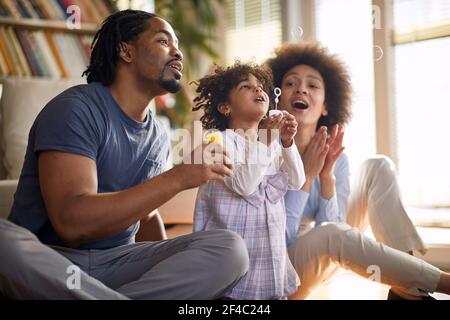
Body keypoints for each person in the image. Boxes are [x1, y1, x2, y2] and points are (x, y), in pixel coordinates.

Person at [0, 10, 249, 300]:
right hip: (52, 263)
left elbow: (145, 216)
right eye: (163, 41)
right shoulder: (75, 110)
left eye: (177, 44)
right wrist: (181, 176)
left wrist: (167, 258)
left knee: (230, 249)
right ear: (126, 51)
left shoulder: (156, 134)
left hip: (117, 265)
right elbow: (71, 223)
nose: (178, 52)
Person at [265, 42, 450, 300]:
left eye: (313, 85)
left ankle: (408, 292)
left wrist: (326, 177)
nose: (301, 89)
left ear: (326, 106)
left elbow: (337, 230)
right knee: (331, 234)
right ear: (278, 98)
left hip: (324, 252)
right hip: (280, 269)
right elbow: (277, 240)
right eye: (290, 83)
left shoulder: (334, 155)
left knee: (378, 165)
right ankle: (434, 284)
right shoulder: (266, 149)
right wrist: (307, 177)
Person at [192, 62, 305, 299]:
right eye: (246, 86)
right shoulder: (218, 141)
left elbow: (297, 181)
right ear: (225, 107)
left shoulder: (271, 143)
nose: (258, 90)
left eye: (260, 86)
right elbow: (243, 185)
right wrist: (268, 140)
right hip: (231, 265)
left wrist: (286, 142)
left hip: (269, 258)